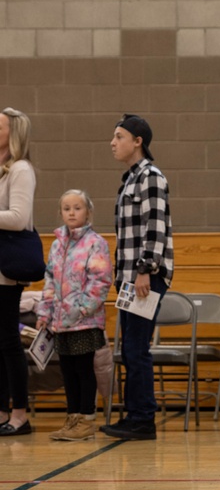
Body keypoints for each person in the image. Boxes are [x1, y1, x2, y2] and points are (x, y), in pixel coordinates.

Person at [101, 114, 173, 441]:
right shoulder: (130, 179)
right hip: (130, 277)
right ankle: (135, 415)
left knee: (136, 347)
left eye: (119, 137)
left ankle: (143, 418)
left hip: (145, 276)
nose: (113, 143)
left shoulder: (150, 177)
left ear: (137, 141)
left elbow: (154, 228)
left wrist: (145, 269)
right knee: (130, 348)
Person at [35, 190, 112, 442]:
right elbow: (49, 280)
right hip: (59, 322)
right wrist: (45, 312)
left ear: (87, 211)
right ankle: (72, 417)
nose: (71, 212)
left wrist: (80, 310)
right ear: (61, 212)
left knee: (83, 369)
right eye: (66, 208)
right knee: (67, 370)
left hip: (83, 322)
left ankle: (86, 419)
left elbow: (100, 282)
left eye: (77, 208)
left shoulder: (96, 243)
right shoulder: (57, 244)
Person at [0, 108, 37, 437]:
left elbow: (18, 217)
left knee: (9, 342)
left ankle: (19, 414)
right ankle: (1, 412)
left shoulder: (21, 169)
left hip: (6, 271)